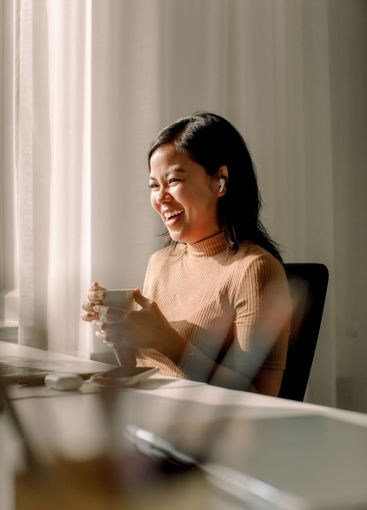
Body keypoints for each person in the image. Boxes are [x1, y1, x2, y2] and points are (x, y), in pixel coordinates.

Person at [82, 112, 291, 396]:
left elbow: (260, 397)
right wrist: (123, 333)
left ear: (220, 181)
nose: (161, 197)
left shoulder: (256, 269)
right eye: (154, 186)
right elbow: (150, 373)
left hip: (212, 435)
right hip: (153, 420)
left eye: (174, 181)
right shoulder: (160, 263)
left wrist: (164, 339)